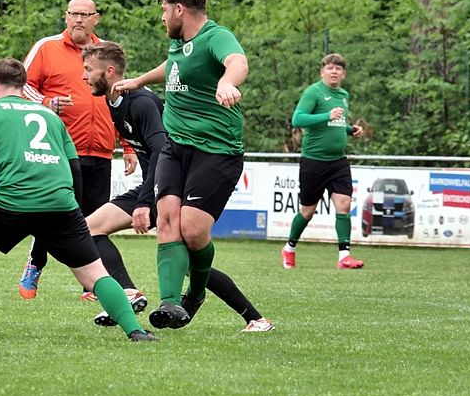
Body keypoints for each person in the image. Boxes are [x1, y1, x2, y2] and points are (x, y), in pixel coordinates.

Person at [0, 58, 155, 342]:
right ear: (22, 86)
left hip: (13, 202)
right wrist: (75, 211)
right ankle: (136, 331)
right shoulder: (51, 117)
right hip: (61, 205)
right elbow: (74, 167)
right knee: (94, 274)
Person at [83, 42, 272, 332]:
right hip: (151, 186)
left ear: (109, 72)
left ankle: (254, 318)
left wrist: (145, 202)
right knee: (90, 229)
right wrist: (131, 152)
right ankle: (130, 293)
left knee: (189, 263)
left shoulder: (141, 102)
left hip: (166, 187)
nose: (83, 76)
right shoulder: (114, 101)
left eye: (88, 69)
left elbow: (161, 149)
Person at [113, 0, 249, 330]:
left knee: (192, 230)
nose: (162, 18)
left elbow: (237, 61)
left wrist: (226, 82)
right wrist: (139, 81)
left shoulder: (215, 36)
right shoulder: (179, 43)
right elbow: (173, 67)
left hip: (217, 150)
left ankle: (197, 293)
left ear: (178, 9)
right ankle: (170, 303)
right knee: (167, 220)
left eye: (163, 11)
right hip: (176, 147)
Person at [16, 0, 135, 299]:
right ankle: (35, 263)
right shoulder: (47, 47)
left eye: (85, 14)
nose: (78, 19)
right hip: (61, 149)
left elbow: (119, 97)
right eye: (73, 14)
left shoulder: (106, 52)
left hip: (101, 150)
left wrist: (128, 145)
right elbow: (23, 86)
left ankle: (90, 284)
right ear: (65, 16)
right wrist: (47, 102)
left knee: (94, 221)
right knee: (55, 212)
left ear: (96, 18)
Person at [280, 53, 365, 270]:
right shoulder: (314, 92)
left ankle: (344, 256)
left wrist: (351, 130)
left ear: (343, 74)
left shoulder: (343, 95)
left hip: (338, 161)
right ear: (322, 72)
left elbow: (338, 122)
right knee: (307, 211)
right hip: (314, 161)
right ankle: (289, 248)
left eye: (338, 68)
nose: (334, 71)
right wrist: (327, 115)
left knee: (344, 204)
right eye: (330, 68)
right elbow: (297, 119)